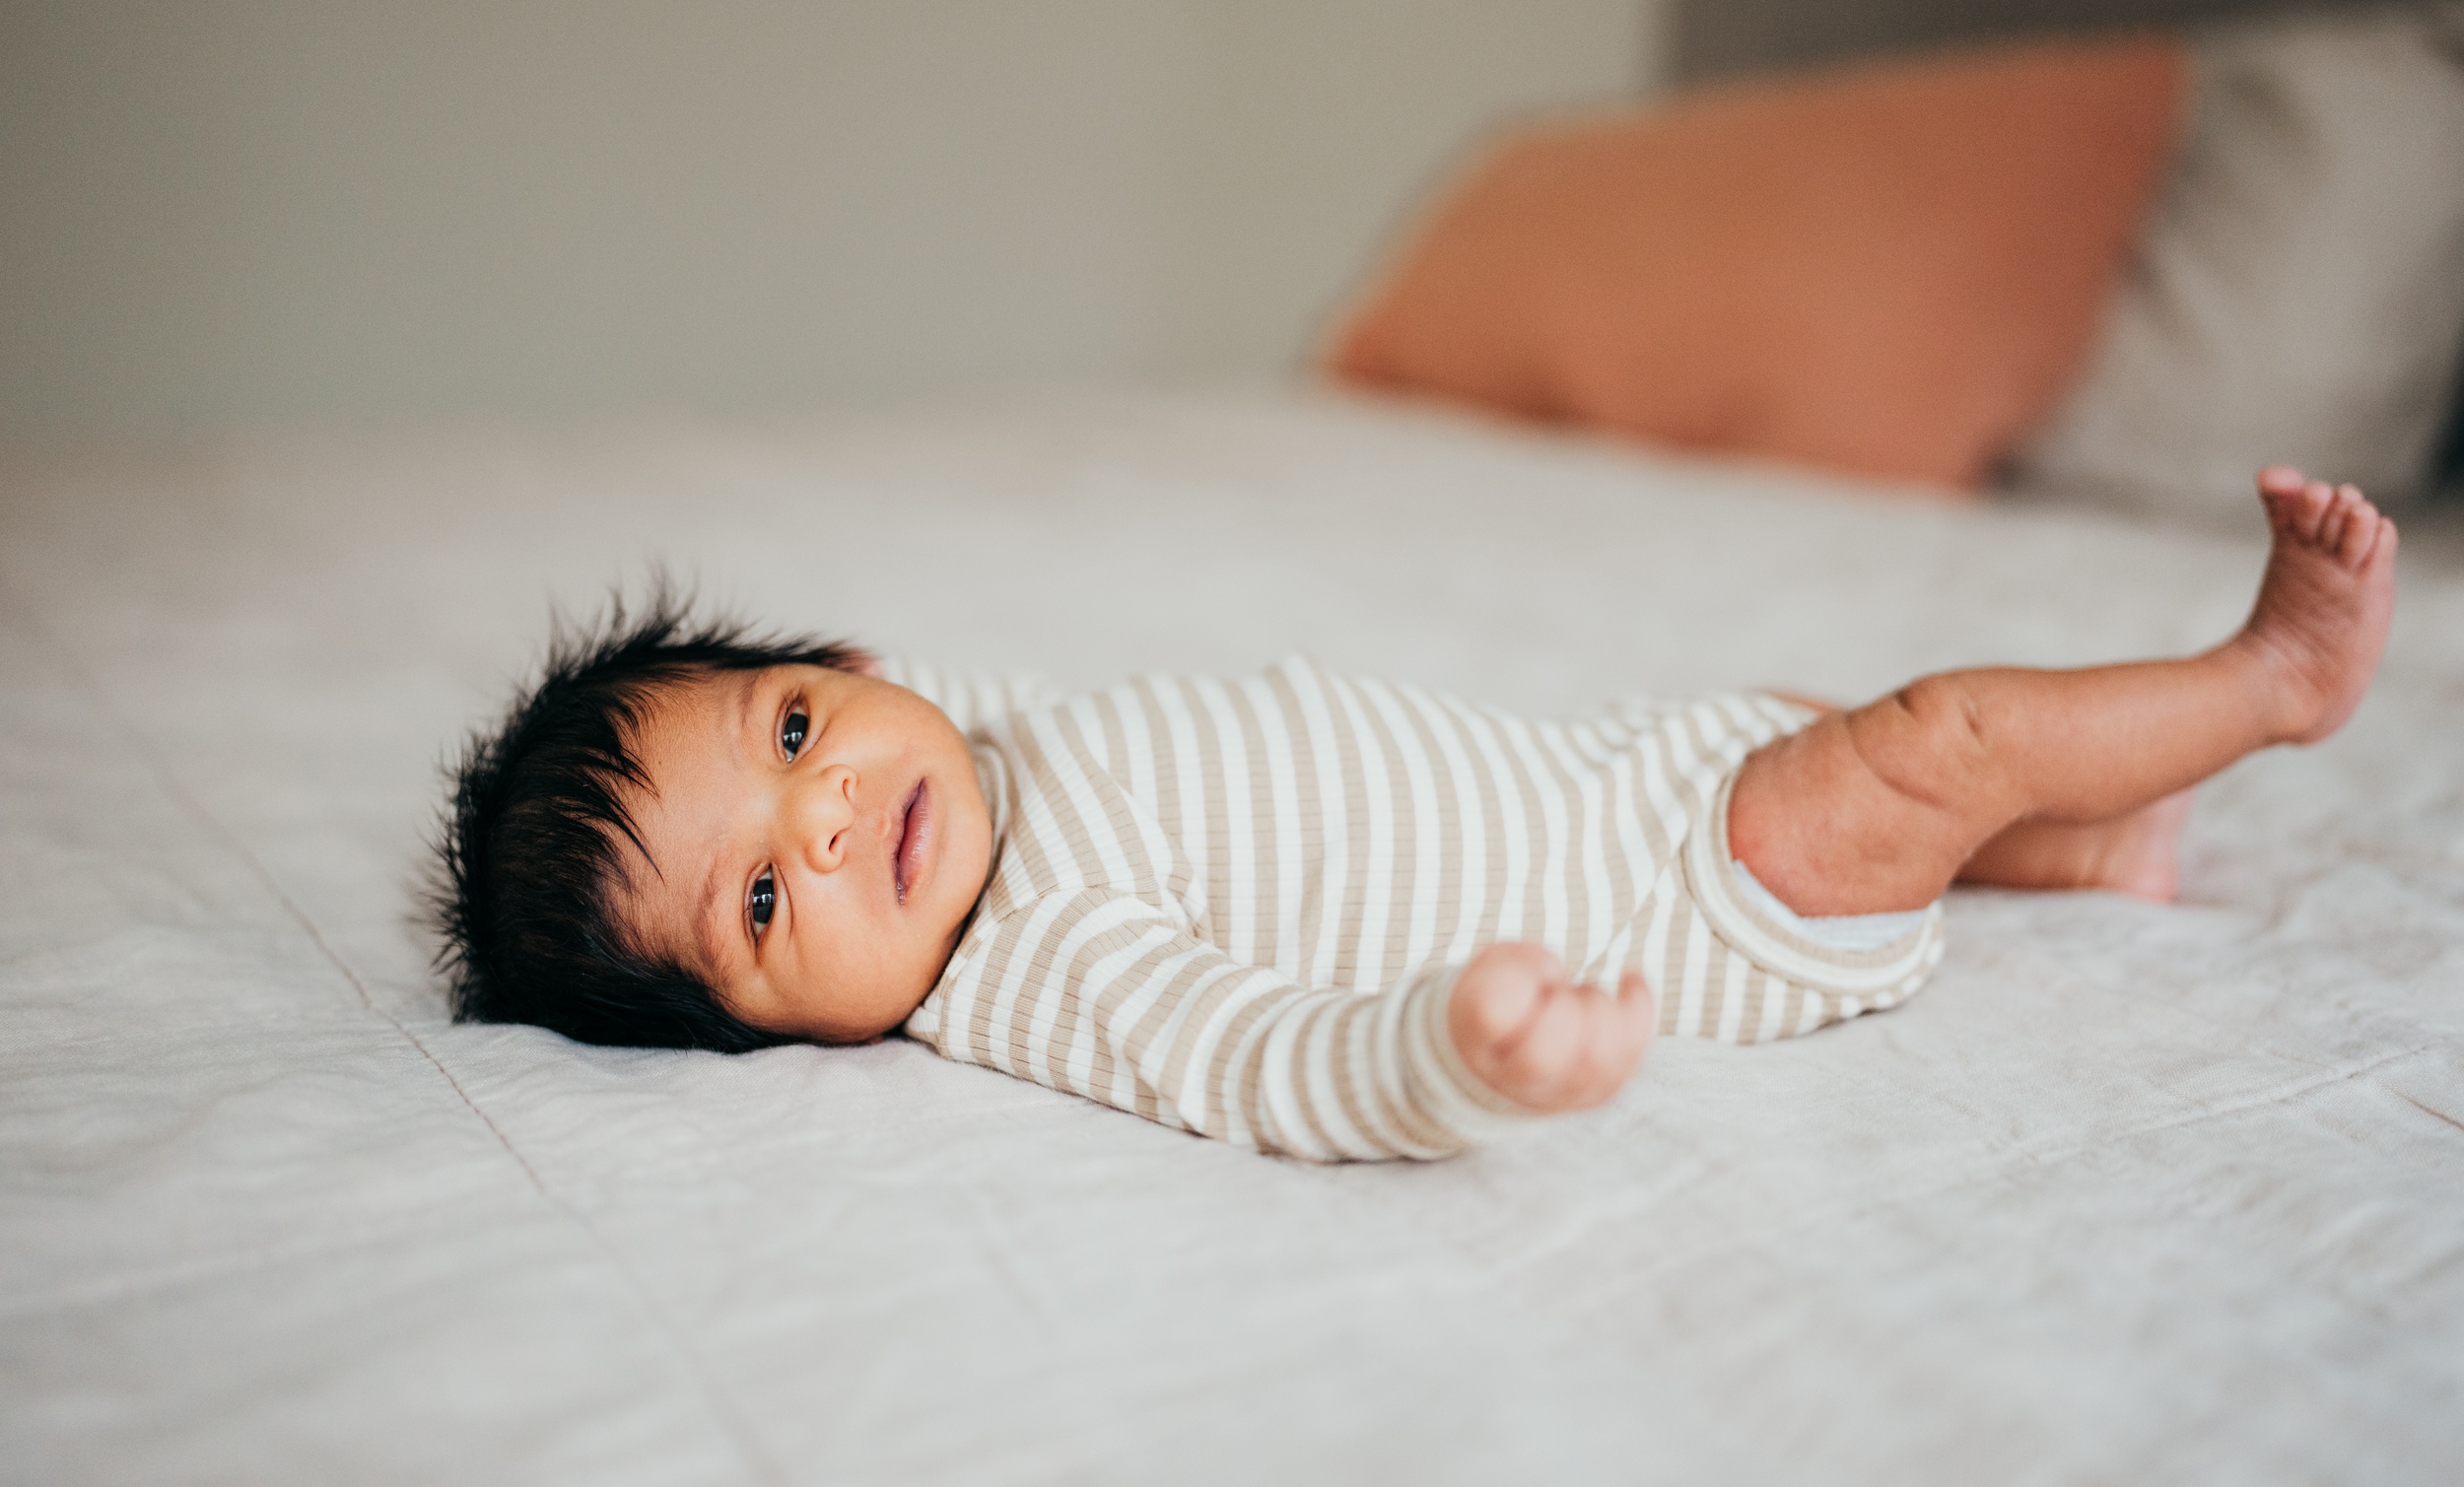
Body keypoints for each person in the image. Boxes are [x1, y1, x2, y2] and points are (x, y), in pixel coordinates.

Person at [433, 468, 2396, 1161]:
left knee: (1847, 733)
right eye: (766, 905)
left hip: (1621, 770)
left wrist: (840, 745)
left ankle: (2085, 849)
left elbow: (895, 733)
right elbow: (1270, 1058)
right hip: (1699, 891)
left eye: (792, 726)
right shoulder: (1035, 964)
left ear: (845, 660)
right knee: (1934, 737)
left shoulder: (977, 762)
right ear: (765, 1038)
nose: (840, 812)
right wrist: (1450, 1051)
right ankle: (2267, 683)